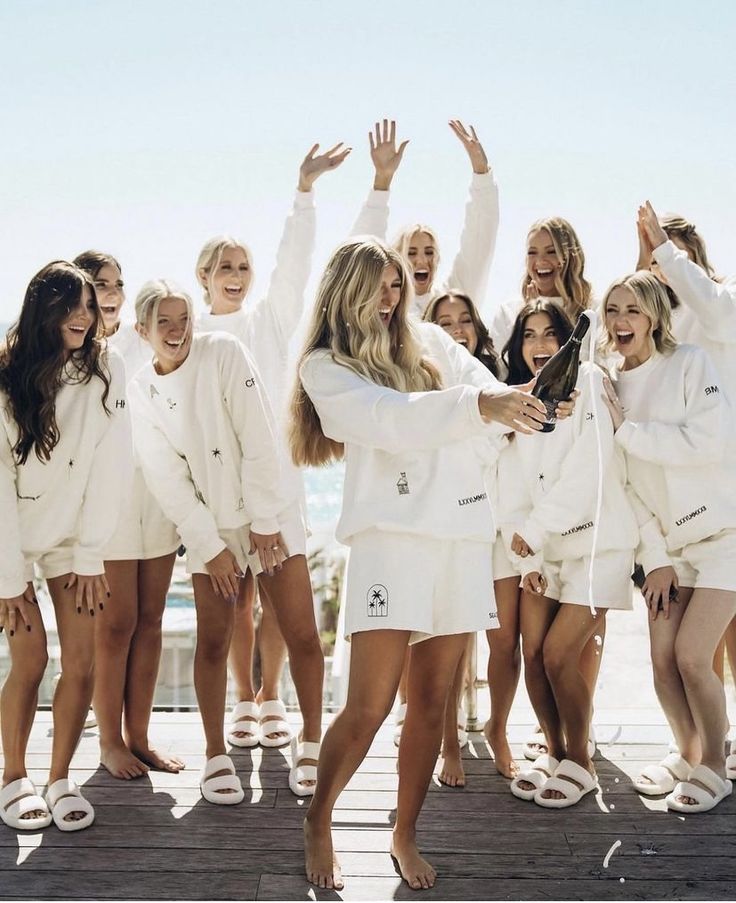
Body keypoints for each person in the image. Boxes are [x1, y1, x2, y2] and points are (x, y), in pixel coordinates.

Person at [291, 236, 552, 890]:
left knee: (432, 700)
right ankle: (319, 817)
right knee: (371, 703)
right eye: (377, 285)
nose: (389, 297)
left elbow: (488, 391)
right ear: (345, 288)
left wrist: (528, 400)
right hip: (391, 542)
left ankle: (403, 831)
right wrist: (479, 406)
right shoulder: (324, 366)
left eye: (395, 284)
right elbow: (391, 418)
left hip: (460, 535)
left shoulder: (433, 343)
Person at [129, 279, 323, 804]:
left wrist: (263, 521)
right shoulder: (141, 389)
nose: (177, 331)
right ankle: (216, 753)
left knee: (299, 628)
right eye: (163, 322)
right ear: (142, 330)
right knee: (213, 639)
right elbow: (165, 476)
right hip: (212, 528)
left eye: (183, 318)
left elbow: (258, 437)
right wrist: (208, 545)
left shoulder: (224, 351)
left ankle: (311, 740)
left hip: (271, 513)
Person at [195, 143, 347, 765]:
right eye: (223, 266)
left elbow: (295, 263)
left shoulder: (270, 321)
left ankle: (275, 696)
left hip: (279, 492)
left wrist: (304, 193)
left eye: (242, 266)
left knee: (285, 606)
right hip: (219, 500)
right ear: (203, 275)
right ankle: (242, 699)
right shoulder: (191, 336)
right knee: (236, 605)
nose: (235, 274)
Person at [0, 261, 131, 831]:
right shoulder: (6, 376)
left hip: (73, 537)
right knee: (31, 658)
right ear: (43, 311)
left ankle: (58, 778)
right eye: (72, 305)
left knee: (81, 660)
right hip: (11, 536)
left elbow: (112, 462)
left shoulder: (107, 367)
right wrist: (8, 578)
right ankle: (13, 775)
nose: (84, 315)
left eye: (91, 304)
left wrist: (90, 552)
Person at [601, 271, 736, 812]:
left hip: (724, 535)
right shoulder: (610, 385)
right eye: (612, 310)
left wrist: (626, 430)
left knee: (691, 656)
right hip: (668, 551)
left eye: (631, 309)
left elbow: (708, 443)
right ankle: (688, 751)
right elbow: (624, 485)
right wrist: (653, 560)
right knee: (661, 660)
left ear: (654, 314)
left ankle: (714, 764)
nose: (620, 321)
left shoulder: (690, 364)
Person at [499, 302, 638, 808]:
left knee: (560, 655)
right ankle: (556, 753)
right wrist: (527, 559)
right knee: (532, 650)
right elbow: (508, 482)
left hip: (599, 544)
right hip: (544, 550)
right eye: (530, 335)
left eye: (550, 334)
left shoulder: (591, 383)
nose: (540, 345)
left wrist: (534, 533)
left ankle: (582, 760)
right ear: (518, 346)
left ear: (568, 341)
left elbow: (590, 470)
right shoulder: (515, 402)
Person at [74, 250, 183, 780]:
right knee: (115, 628)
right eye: (99, 283)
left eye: (118, 282)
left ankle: (140, 737)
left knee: (152, 622)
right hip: (108, 512)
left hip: (158, 503)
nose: (111, 291)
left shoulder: (145, 347)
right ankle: (109, 742)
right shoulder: (75, 356)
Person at [637, 202, 736, 745]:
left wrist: (667, 251)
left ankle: (714, 756)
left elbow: (718, 308)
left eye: (676, 260)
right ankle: (696, 752)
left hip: (725, 511)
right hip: (672, 518)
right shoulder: (651, 339)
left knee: (712, 652)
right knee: (675, 658)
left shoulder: (722, 311)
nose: (667, 270)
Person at [352, 119, 499, 317]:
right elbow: (360, 253)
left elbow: (479, 242)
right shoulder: (385, 309)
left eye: (429, 252)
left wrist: (481, 172)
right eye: (411, 253)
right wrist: (382, 180)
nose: (421, 260)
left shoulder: (451, 301)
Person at [490, 217, 592, 354]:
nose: (540, 260)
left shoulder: (593, 312)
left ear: (570, 258)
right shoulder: (507, 313)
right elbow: (501, 370)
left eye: (551, 252)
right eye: (532, 252)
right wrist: (529, 316)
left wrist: (549, 314)